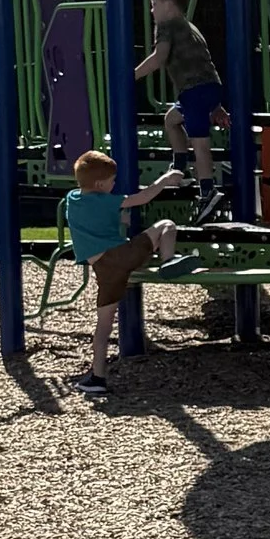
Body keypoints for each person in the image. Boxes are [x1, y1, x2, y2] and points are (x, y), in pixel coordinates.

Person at [60, 146, 187, 395]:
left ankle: (97, 378)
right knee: (166, 226)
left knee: (104, 324)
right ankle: (168, 260)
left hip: (103, 270)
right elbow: (142, 198)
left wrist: (120, 219)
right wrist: (165, 179)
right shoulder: (108, 199)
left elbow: (94, 220)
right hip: (122, 257)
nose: (114, 184)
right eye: (111, 181)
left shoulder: (72, 201)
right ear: (99, 184)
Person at [132, 0, 224, 189]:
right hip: (210, 87)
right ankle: (180, 167)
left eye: (154, 4)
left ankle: (207, 192)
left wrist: (132, 76)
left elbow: (159, 57)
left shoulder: (166, 26)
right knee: (171, 120)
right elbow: (203, 62)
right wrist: (216, 104)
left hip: (194, 90)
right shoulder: (190, 27)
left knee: (200, 143)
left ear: (168, 5)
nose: (151, 10)